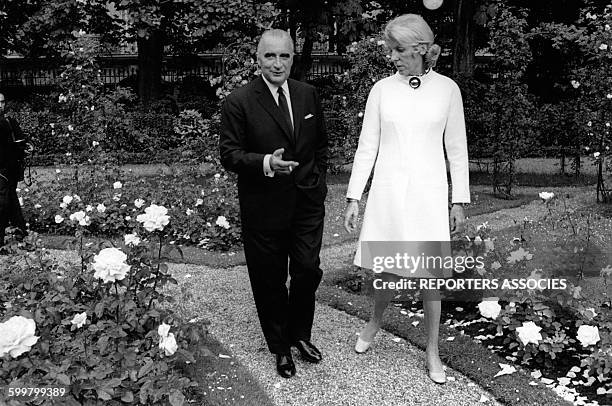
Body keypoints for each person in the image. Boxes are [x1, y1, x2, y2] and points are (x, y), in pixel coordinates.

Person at [343, 14, 470, 385]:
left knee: (430, 274)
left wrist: (458, 200)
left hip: (430, 195)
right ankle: (375, 321)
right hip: (388, 192)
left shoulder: (447, 90)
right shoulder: (381, 89)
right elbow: (367, 146)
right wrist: (354, 196)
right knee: (386, 270)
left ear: (419, 50)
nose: (392, 56)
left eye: (398, 49)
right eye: (391, 49)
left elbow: (457, 150)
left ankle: (432, 350)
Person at [219, 29, 328, 379]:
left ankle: (300, 334)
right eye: (270, 56)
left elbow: (321, 146)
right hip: (264, 205)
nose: (278, 63)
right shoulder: (239, 101)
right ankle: (281, 347)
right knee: (269, 280)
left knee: (307, 270)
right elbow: (230, 154)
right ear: (258, 58)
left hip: (307, 203)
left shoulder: (308, 94)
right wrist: (266, 162)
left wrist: (318, 182)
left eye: (284, 56)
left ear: (293, 58)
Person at [0, 92, 29, 249]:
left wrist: (26, 147)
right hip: (1, 170)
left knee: (11, 201)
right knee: (3, 202)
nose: (0, 105)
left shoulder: (10, 121)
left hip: (10, 168)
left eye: (2, 102)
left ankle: (20, 235)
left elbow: (21, 139)